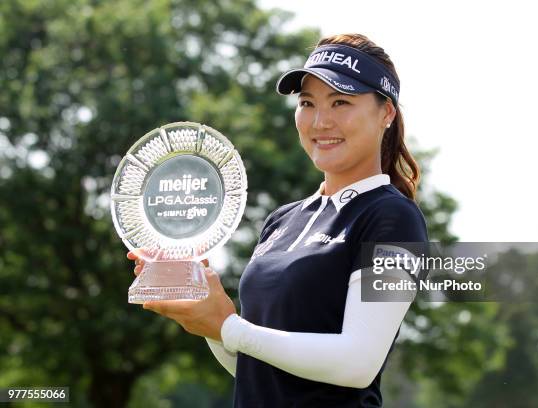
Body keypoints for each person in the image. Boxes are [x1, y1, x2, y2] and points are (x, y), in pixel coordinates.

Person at [128, 33, 428, 408]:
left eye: (341, 102)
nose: (321, 121)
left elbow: (358, 363)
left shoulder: (395, 218)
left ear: (386, 113)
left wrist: (229, 327)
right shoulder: (281, 221)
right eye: (307, 103)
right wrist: (205, 315)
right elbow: (258, 369)